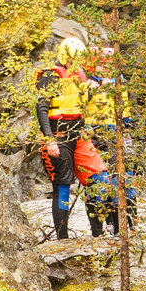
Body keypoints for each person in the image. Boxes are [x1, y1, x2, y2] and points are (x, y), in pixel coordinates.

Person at [37, 35, 97, 240]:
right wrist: (49, 140)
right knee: (62, 185)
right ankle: (62, 239)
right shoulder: (50, 75)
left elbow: (85, 104)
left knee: (99, 180)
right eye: (74, 59)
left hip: (79, 133)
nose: (77, 64)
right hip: (58, 133)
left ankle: (98, 233)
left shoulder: (81, 74)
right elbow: (42, 109)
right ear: (65, 57)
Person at [85, 46, 137, 236]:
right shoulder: (85, 84)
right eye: (101, 65)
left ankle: (125, 226)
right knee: (96, 183)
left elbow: (131, 113)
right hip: (94, 137)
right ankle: (97, 228)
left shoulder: (120, 84)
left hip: (117, 135)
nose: (105, 68)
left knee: (121, 182)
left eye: (108, 65)